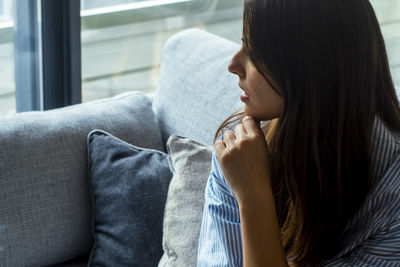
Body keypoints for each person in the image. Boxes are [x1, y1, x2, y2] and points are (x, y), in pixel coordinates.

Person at [197, 0, 400, 266]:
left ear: (311, 68)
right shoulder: (239, 148)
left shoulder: (391, 193)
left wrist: (254, 198)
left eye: (256, 53)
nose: (233, 64)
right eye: (243, 41)